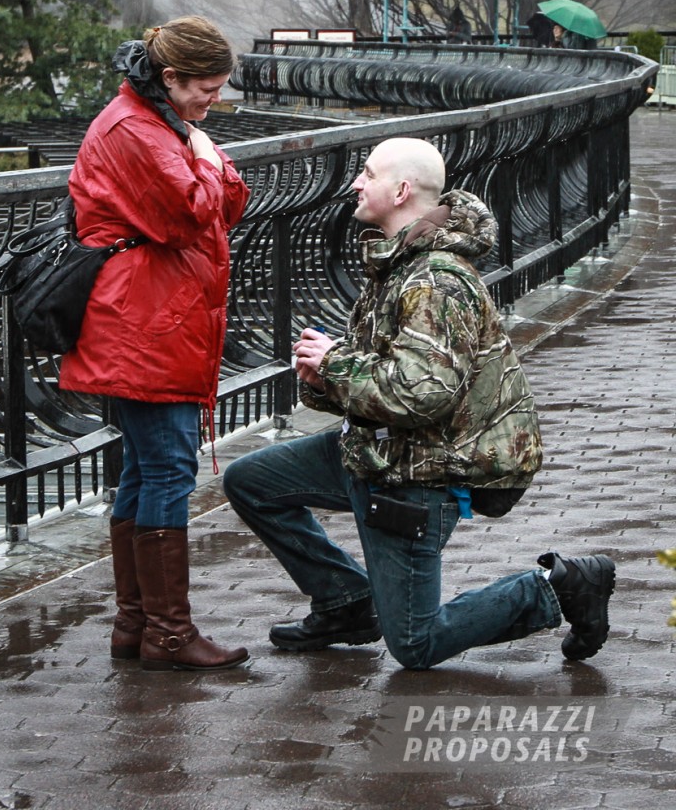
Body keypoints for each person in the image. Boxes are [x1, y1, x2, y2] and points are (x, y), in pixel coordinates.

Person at [223, 137, 615, 670]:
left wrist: (336, 362)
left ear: (402, 190)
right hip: (379, 451)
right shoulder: (397, 264)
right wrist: (323, 375)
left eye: (367, 173)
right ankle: (345, 601)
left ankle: (559, 585)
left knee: (415, 643)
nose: (355, 182)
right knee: (252, 481)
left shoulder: (435, 281)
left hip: (421, 473)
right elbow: (380, 383)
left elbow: (420, 395)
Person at [59, 15, 250, 672]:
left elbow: (228, 200)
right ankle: (167, 632)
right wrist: (203, 156)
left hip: (151, 319)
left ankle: (138, 624)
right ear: (170, 78)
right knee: (167, 468)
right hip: (144, 324)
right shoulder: (137, 131)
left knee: (146, 469)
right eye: (206, 88)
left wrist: (201, 156)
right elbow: (190, 214)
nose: (212, 102)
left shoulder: (157, 122)